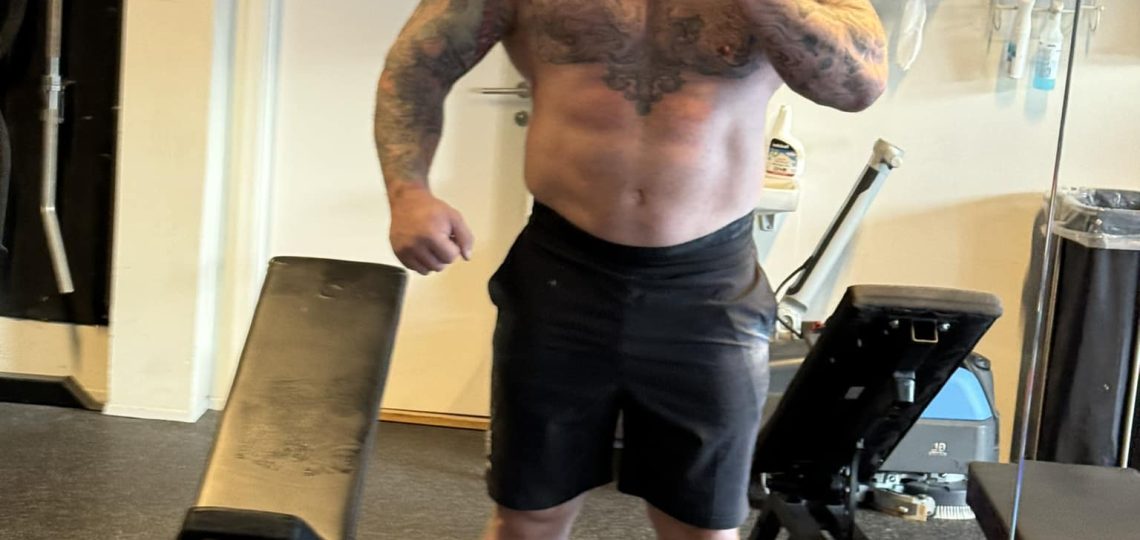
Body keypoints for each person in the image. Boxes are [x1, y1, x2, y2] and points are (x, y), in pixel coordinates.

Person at [374, 1, 887, 539]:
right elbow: (417, 62)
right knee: (530, 515)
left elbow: (858, 87)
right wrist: (408, 193)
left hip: (709, 287)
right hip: (562, 275)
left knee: (701, 524)